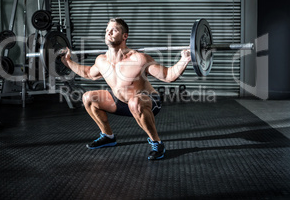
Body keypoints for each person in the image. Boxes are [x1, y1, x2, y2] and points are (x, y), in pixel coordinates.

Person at [60, 18, 191, 160]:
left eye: (114, 30)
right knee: (88, 98)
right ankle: (108, 136)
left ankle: (157, 142)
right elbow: (88, 73)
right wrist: (68, 62)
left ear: (125, 36)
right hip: (122, 102)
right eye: (107, 30)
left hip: (146, 101)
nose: (109, 33)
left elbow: (168, 76)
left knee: (135, 102)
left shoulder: (139, 59)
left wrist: (184, 59)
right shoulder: (101, 60)